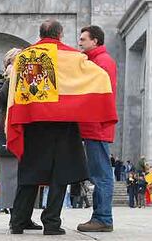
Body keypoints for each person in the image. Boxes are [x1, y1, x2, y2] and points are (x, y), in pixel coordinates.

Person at [8, 19, 105, 235]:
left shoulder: (24, 57)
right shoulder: (74, 57)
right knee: (60, 175)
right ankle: (51, 223)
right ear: (60, 34)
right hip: (64, 124)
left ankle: (18, 221)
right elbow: (99, 77)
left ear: (41, 34)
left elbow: (15, 93)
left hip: (34, 124)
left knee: (29, 173)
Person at [0, 48, 42, 230]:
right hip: (8, 137)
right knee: (10, 180)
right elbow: (2, 98)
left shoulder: (30, 83)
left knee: (29, 179)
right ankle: (16, 218)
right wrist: (9, 78)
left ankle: (26, 217)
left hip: (29, 136)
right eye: (17, 62)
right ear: (8, 65)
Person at [77, 25, 117, 232]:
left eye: (83, 39)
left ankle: (103, 218)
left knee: (101, 174)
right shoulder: (94, 61)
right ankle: (100, 217)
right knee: (98, 173)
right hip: (93, 126)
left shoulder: (102, 62)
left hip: (97, 126)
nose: (80, 42)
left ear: (95, 41)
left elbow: (97, 97)